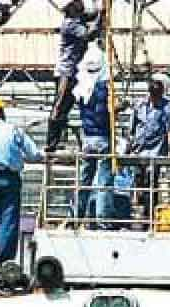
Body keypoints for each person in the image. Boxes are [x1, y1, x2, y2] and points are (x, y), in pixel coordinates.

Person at [0, 95, 44, 273]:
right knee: (9, 220)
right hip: (11, 179)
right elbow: (34, 154)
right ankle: (4, 261)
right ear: (2, 111)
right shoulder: (14, 131)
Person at [46, 0, 103, 152]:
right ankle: (51, 143)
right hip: (67, 72)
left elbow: (94, 15)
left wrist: (102, 7)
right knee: (60, 106)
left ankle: (58, 140)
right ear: (72, 8)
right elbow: (89, 35)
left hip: (75, 72)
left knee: (67, 106)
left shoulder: (79, 19)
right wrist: (101, 16)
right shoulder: (70, 24)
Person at [126, 72, 170, 224]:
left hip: (155, 154)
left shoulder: (168, 106)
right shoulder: (140, 104)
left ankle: (149, 218)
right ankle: (137, 215)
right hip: (138, 153)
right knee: (137, 183)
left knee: (151, 183)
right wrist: (128, 150)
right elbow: (132, 130)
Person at [72, 47, 113, 228]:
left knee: (84, 180)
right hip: (102, 137)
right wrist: (117, 109)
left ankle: (76, 216)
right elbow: (101, 114)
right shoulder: (101, 88)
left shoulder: (81, 88)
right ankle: (102, 219)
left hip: (87, 138)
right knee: (103, 181)